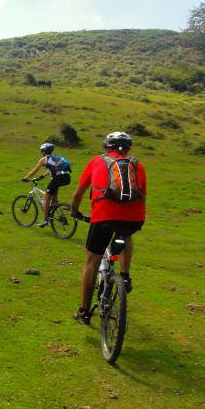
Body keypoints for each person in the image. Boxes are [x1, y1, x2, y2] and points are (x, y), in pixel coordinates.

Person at [70, 132, 147, 324]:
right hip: (134, 218)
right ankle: (125, 275)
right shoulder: (138, 165)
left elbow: (79, 193)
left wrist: (75, 211)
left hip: (103, 217)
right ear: (128, 149)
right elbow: (142, 195)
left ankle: (84, 312)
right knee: (126, 235)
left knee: (91, 262)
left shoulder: (97, 161)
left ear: (106, 147)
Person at [21, 142, 72, 228]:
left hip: (58, 178)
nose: (41, 153)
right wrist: (41, 177)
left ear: (44, 151)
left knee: (46, 198)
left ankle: (45, 220)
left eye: (42, 151)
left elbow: (35, 170)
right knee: (53, 196)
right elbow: (51, 171)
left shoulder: (44, 159)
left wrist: (25, 178)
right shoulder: (55, 158)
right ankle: (56, 207)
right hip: (67, 178)